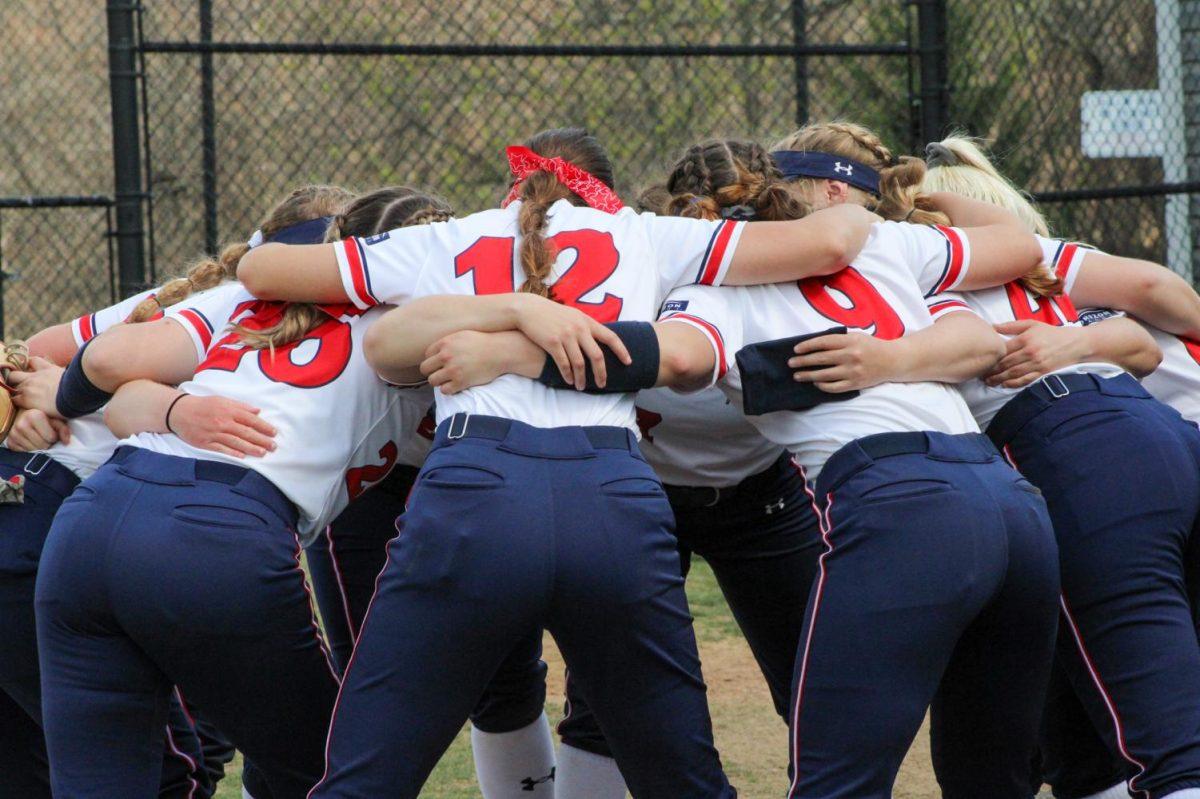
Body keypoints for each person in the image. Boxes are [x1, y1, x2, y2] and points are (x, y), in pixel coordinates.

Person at [398, 136, 1061, 798]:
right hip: (1011, 506)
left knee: (836, 777)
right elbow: (1023, 247)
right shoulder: (880, 246)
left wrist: (517, 354)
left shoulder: (710, 284)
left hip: (890, 504)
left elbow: (679, 358)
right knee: (991, 776)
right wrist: (906, 203)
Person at [235, 126, 881, 798]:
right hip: (610, 498)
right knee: (684, 779)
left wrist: (503, 308)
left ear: (512, 188)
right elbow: (832, 240)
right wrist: (892, 202)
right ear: (607, 190)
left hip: (473, 491)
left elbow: (262, 271)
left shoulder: (452, 237)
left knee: (364, 776)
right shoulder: (643, 233)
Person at [21, 187, 440, 798]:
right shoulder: (424, 331)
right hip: (219, 534)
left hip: (89, 525)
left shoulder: (249, 296)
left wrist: (142, 407)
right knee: (336, 773)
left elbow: (111, 361)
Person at [923, 134, 1200, 799]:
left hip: (1095, 464)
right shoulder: (1054, 281)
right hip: (1161, 444)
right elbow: (1143, 325)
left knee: (1166, 743)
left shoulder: (978, 265)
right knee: (1081, 722)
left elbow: (1149, 293)